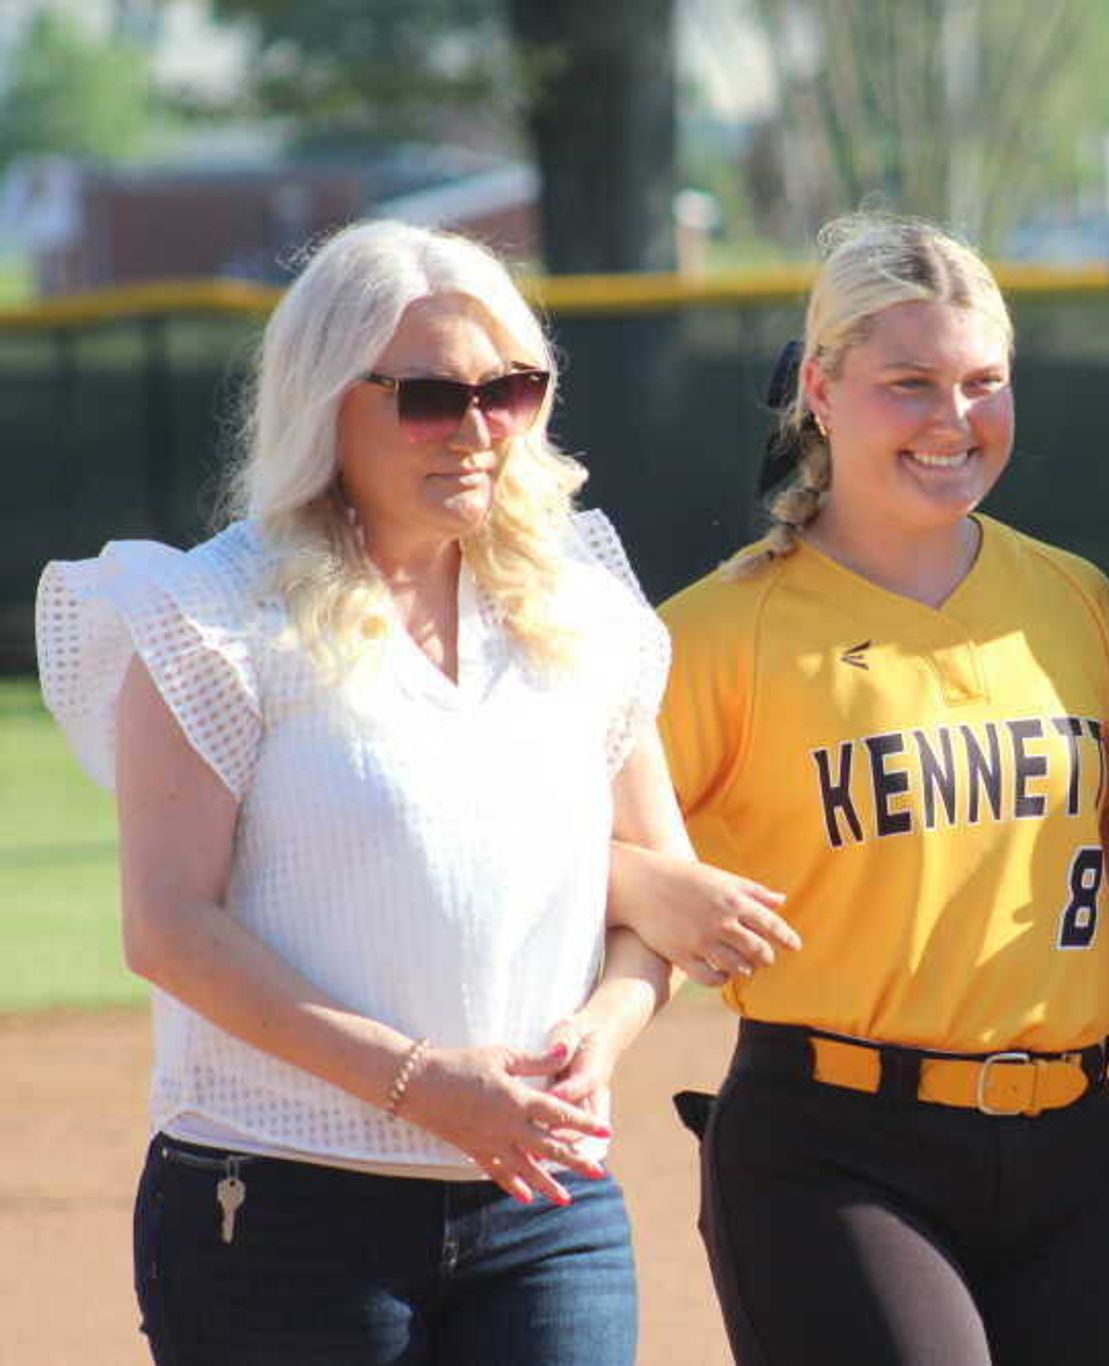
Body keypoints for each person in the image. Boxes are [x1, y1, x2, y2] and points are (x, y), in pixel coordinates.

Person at [613, 212, 1109, 1366]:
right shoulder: (716, 633)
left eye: (984, 381)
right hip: (835, 1149)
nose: (953, 420)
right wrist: (636, 875)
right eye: (909, 383)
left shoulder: (1074, 601)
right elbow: (533, 846)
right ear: (820, 391)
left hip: (1072, 1147)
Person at [34, 220, 704, 1364]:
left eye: (512, 389)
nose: (480, 430)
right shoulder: (211, 617)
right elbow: (169, 928)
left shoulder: (581, 609)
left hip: (547, 1203)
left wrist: (598, 1033)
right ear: (324, 402)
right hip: (281, 1214)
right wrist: (419, 1083)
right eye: (433, 397)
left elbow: (657, 902)